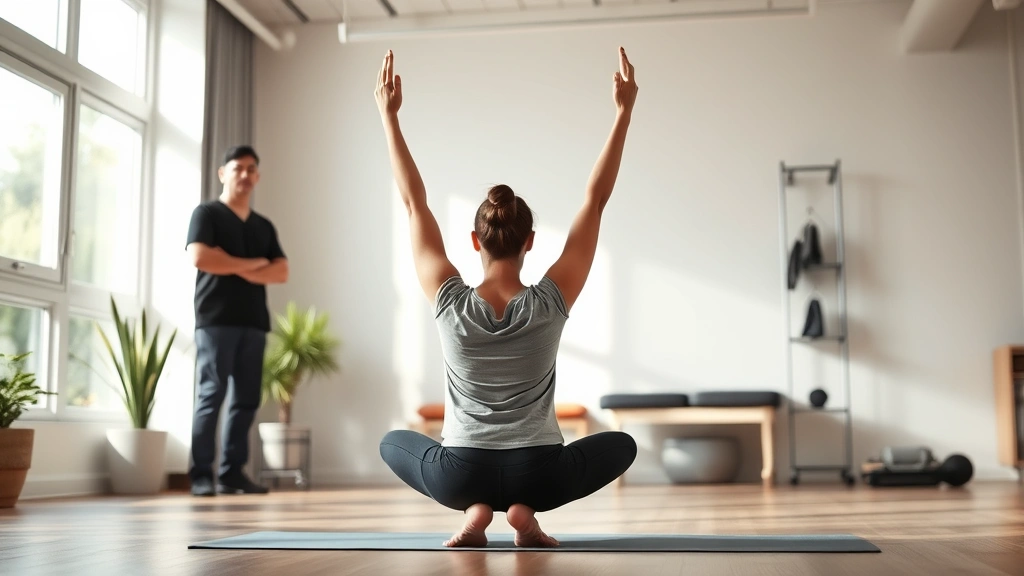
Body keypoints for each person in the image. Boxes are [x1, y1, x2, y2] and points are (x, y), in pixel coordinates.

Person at [375, 48, 639, 547]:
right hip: (539, 473)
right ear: (531, 241)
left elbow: (414, 203)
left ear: (475, 241)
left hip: (460, 472)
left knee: (393, 442)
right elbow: (595, 200)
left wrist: (389, 117)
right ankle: (525, 513)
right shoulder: (550, 301)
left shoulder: (449, 302)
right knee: (621, 445)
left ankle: (475, 510)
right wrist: (623, 113)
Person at [185, 145, 289, 496]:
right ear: (222, 173)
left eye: (251, 169)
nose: (244, 174)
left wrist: (228, 261)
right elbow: (200, 257)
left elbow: (282, 272)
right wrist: (254, 265)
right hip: (215, 320)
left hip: (254, 322)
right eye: (238, 168)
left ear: (257, 176)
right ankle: (201, 474)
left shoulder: (263, 226)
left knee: (246, 399)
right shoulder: (207, 214)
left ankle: (232, 473)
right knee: (211, 394)